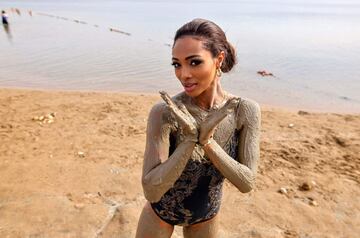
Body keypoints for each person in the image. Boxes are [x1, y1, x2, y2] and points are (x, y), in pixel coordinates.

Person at [136, 18, 261, 238]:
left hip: (206, 217)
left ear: (218, 59)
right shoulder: (165, 112)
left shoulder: (244, 111)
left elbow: (247, 182)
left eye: (194, 62)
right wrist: (189, 140)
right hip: (160, 214)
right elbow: (151, 190)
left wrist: (208, 142)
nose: (183, 74)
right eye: (177, 64)